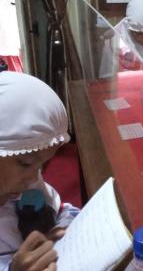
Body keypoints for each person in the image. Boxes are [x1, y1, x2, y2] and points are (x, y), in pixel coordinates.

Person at [0, 72, 79, 270]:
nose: (34, 176)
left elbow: (59, 207)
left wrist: (66, 228)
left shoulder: (23, 181)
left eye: (43, 165)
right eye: (26, 163)